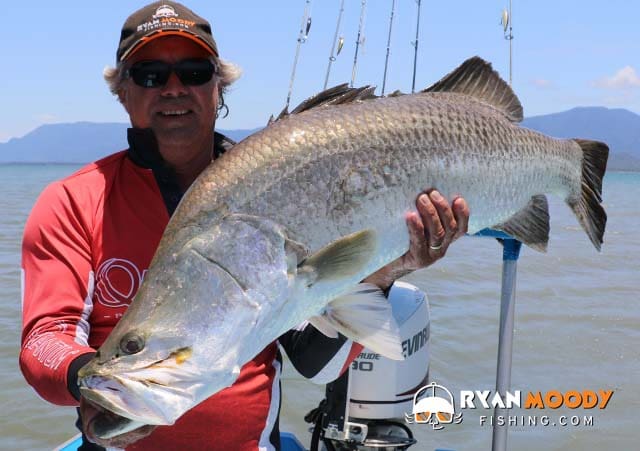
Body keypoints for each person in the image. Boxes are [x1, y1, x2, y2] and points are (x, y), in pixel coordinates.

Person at [19, 2, 469, 450]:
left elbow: (319, 365)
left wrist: (389, 269)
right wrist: (84, 378)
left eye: (194, 72)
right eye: (150, 74)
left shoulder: (281, 188)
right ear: (122, 91)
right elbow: (44, 340)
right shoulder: (74, 202)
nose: (173, 88)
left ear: (219, 87)